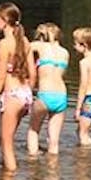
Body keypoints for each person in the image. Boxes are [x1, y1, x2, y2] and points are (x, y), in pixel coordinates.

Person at [0, 2, 33, 171]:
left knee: (6, 142)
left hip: (11, 96)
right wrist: (28, 94)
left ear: (5, 20)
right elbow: (33, 73)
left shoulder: (4, 44)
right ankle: (5, 176)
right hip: (25, 95)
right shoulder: (25, 41)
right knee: (3, 140)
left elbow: (0, 78)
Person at [27, 22, 69, 154]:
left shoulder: (40, 46)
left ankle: (32, 164)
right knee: (54, 142)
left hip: (45, 94)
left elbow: (15, 46)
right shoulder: (65, 52)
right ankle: (53, 171)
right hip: (61, 95)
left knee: (33, 130)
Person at [73, 26, 91, 147]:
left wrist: (78, 108)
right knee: (81, 131)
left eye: (75, 44)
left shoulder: (84, 63)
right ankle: (89, 151)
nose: (74, 47)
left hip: (89, 100)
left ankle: (86, 159)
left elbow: (83, 86)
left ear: (83, 45)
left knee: (82, 134)